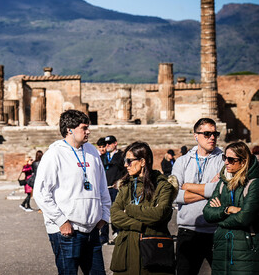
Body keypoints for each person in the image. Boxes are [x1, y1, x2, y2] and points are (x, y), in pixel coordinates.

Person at [33, 109, 111, 275]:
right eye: (84, 128)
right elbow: (41, 193)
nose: (88, 131)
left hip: (92, 231)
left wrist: (104, 216)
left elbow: (102, 186)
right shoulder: (54, 154)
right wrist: (62, 221)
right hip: (66, 232)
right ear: (69, 129)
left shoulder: (92, 152)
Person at [203, 141, 259, 274]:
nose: (226, 162)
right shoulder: (223, 183)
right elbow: (207, 213)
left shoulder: (255, 185)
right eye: (225, 158)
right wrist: (228, 210)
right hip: (222, 251)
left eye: (231, 159)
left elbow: (244, 218)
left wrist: (220, 218)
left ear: (243, 161)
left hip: (247, 252)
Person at [110, 141, 175, 274]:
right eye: (124, 160)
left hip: (152, 254)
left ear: (143, 162)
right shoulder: (125, 186)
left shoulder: (163, 186)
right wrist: (141, 224)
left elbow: (159, 214)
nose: (125, 165)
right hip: (126, 256)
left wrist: (129, 209)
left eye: (129, 161)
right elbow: (115, 216)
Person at [171, 117, 224, 275]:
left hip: (216, 231)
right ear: (196, 136)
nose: (212, 137)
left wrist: (188, 187)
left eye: (215, 133)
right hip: (188, 230)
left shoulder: (223, 160)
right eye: (207, 134)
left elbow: (221, 191)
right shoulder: (182, 162)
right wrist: (208, 191)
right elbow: (173, 194)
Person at [96, 136, 126, 245]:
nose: (107, 146)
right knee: (103, 211)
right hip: (104, 188)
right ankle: (103, 236)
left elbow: (125, 171)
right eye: (106, 144)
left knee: (115, 211)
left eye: (109, 144)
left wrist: (121, 182)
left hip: (115, 188)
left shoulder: (121, 156)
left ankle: (117, 232)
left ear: (115, 143)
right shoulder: (103, 157)